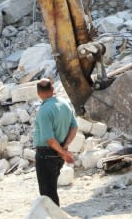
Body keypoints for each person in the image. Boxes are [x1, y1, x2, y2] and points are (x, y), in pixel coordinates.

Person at [32, 78, 77, 207]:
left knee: (48, 195)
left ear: (38, 93)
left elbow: (50, 139)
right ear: (52, 90)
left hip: (46, 155)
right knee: (52, 189)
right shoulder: (65, 103)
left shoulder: (44, 111)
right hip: (58, 154)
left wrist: (64, 152)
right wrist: (65, 147)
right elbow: (74, 127)